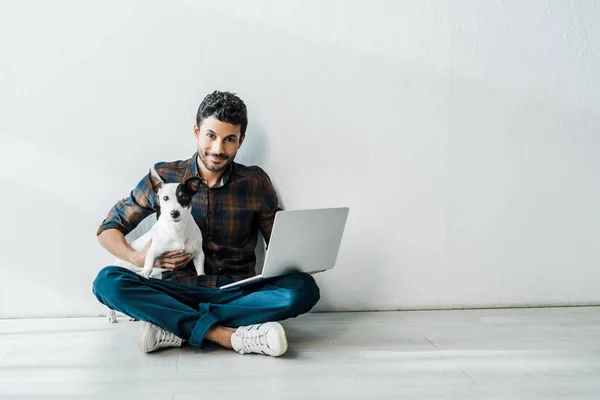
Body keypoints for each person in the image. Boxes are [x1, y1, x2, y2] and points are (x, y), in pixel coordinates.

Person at [92, 91, 320, 356]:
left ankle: (176, 325)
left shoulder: (255, 182)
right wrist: (137, 256)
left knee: (302, 288)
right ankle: (228, 335)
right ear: (197, 131)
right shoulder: (165, 177)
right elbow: (108, 228)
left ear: (241, 141)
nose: (218, 149)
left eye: (229, 140)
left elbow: (280, 245)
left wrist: (303, 252)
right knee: (107, 281)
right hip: (173, 290)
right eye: (211, 136)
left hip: (237, 292)